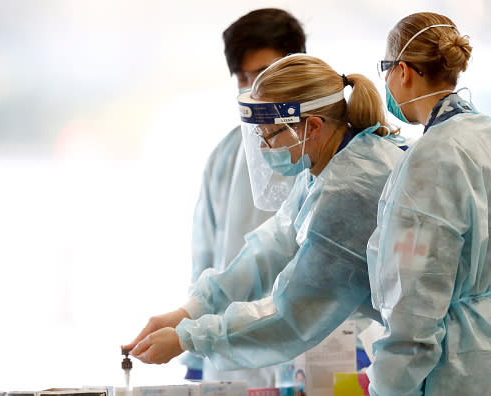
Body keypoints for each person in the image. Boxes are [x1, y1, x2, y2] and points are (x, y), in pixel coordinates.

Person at [123, 54, 405, 374]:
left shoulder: (349, 190)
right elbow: (271, 247)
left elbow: (292, 314)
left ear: (312, 127)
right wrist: (189, 311)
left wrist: (189, 338)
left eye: (269, 135)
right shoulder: (329, 164)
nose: (262, 147)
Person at [366, 12, 491, 395]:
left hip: (456, 369)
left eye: (385, 69)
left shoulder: (432, 157)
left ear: (403, 71)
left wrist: (386, 385)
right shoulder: (483, 134)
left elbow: (414, 302)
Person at [186, 8, 306, 385]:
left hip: (311, 347)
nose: (254, 87)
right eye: (244, 76)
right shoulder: (224, 157)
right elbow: (205, 256)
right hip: (230, 354)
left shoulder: (326, 148)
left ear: (296, 67)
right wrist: (192, 352)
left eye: (265, 73)